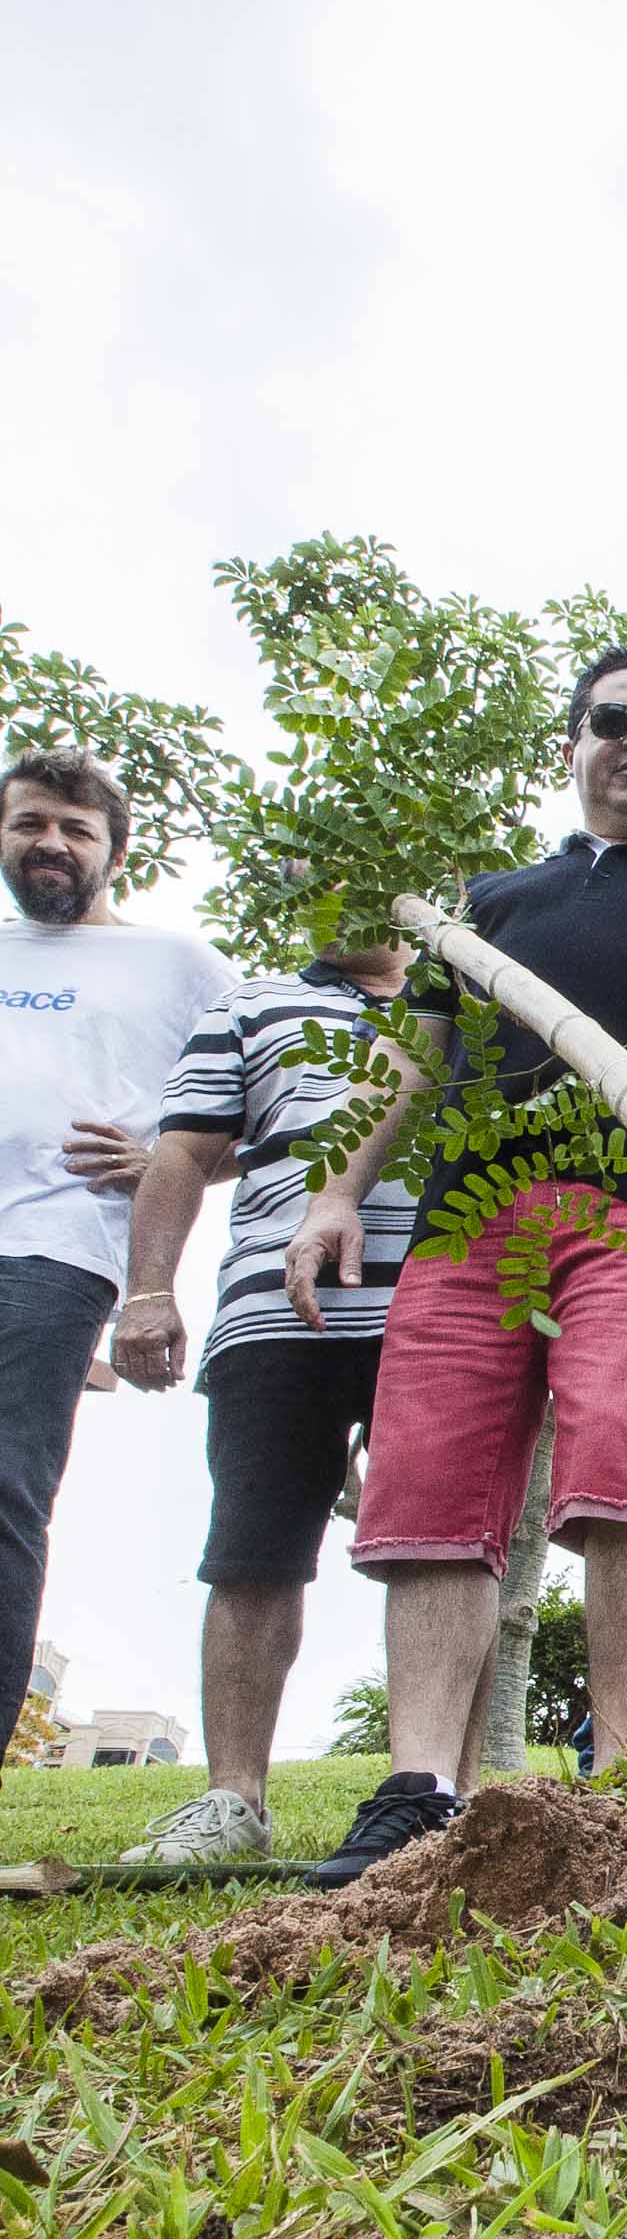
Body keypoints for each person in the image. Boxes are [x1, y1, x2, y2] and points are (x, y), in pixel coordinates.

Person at [284, 648, 627, 1881]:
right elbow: (417, 1057)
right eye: (613, 720)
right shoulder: (485, 901)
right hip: (465, 1222)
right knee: (431, 1475)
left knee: (625, 1468)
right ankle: (417, 1789)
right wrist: (339, 1188)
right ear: (573, 744)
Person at [109, 934, 419, 1860]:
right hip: (276, 1305)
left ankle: (434, 1789)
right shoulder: (249, 1004)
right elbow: (180, 1154)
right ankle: (231, 1800)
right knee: (253, 1551)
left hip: (442, 1304)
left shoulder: (472, 1003)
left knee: (446, 1549)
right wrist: (150, 1292)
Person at [0, 751, 232, 1758]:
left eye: (76, 830)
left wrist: (164, 1163)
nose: (51, 842)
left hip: (52, 1257)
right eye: (30, 823)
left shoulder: (175, 962)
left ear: (113, 851)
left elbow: (275, 1091)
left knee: (5, 1488)